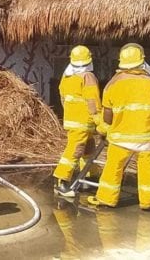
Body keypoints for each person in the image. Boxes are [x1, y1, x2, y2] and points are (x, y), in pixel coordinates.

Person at [87, 43, 150, 210]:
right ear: (142, 61)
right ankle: (149, 202)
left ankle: (107, 199)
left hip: (119, 139)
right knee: (147, 171)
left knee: (113, 168)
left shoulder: (112, 84)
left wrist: (102, 131)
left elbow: (107, 115)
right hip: (146, 139)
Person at [53, 45, 101, 197]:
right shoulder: (88, 76)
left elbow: (62, 97)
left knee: (88, 149)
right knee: (74, 150)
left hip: (72, 120)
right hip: (83, 121)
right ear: (89, 60)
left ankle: (90, 176)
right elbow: (93, 100)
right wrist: (99, 120)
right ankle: (61, 180)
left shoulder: (67, 76)